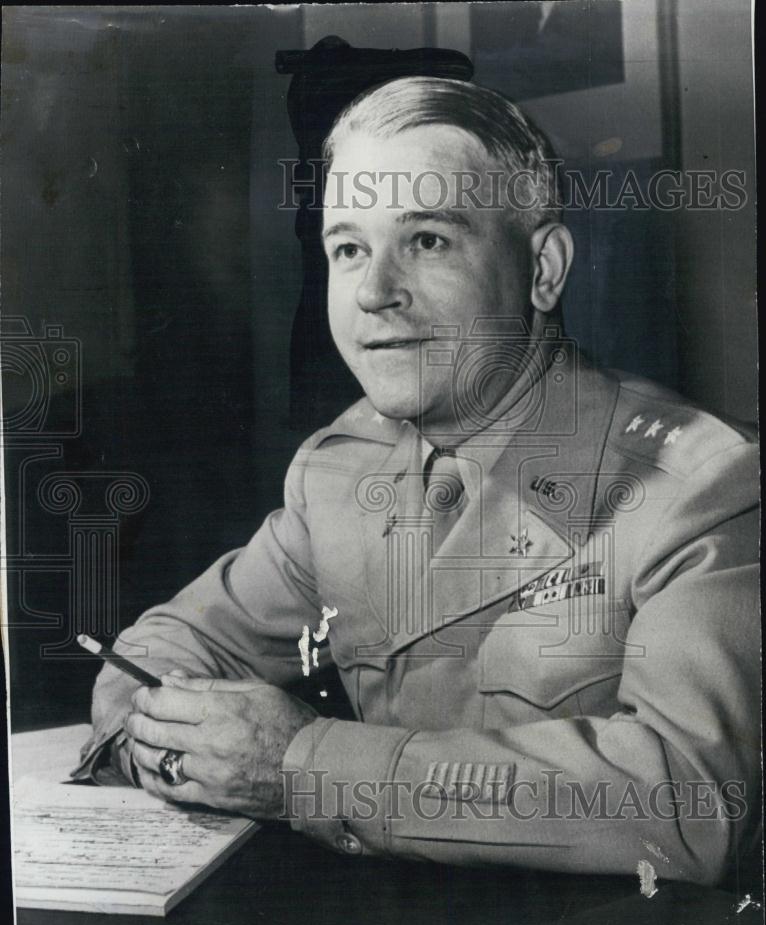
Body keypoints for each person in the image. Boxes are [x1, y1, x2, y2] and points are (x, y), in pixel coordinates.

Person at [73, 76, 760, 884]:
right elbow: (166, 648)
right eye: (348, 249)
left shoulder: (702, 485)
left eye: (427, 240)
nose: (373, 293)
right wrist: (173, 749)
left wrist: (305, 767)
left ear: (543, 269)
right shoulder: (341, 474)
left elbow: (688, 804)